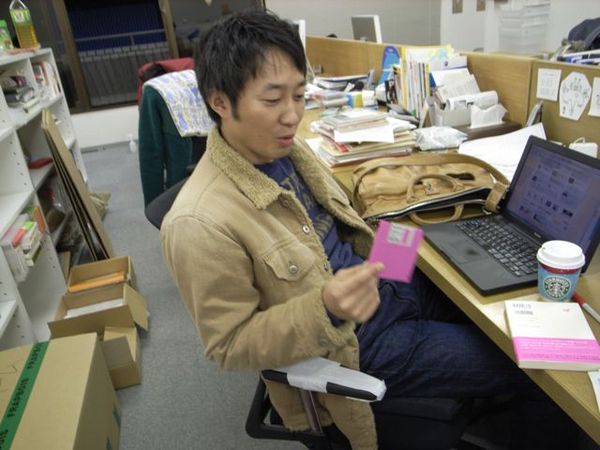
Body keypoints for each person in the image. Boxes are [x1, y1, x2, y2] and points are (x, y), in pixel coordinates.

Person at [161, 9, 596, 450]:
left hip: (382, 279)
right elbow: (230, 345)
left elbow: (348, 227)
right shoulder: (198, 222)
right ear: (220, 102)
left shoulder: (286, 151)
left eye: (299, 95)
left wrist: (420, 220)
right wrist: (326, 307)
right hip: (356, 339)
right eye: (273, 100)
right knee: (534, 367)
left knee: (488, 291)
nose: (291, 115)